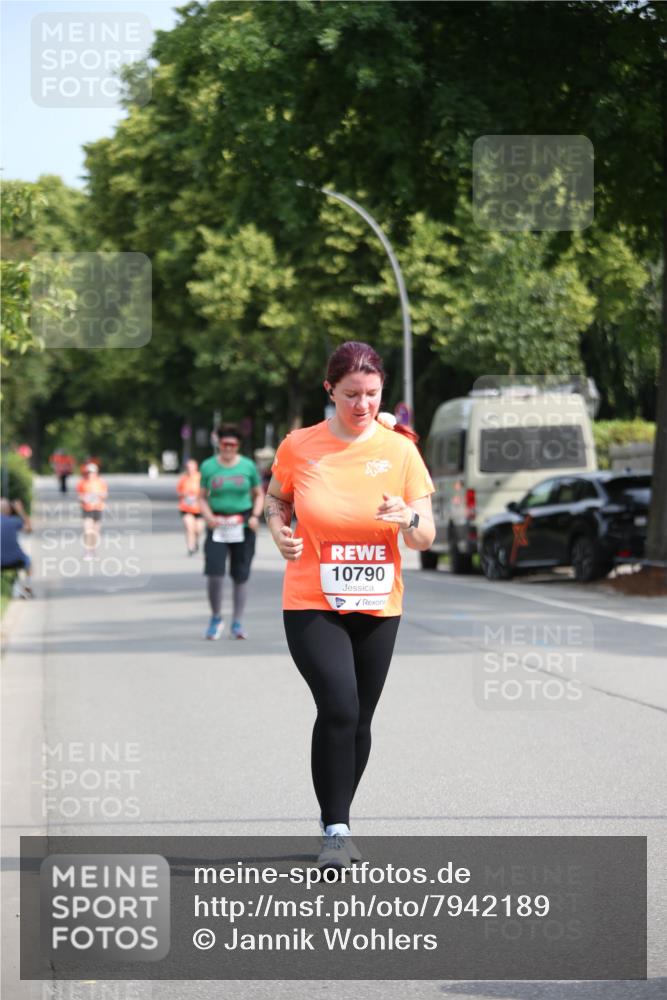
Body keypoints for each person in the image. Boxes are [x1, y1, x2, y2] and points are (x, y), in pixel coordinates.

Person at [264, 341, 435, 871]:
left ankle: (333, 815)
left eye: (372, 394)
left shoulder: (400, 451)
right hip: (311, 599)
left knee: (360, 718)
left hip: (378, 602)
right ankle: (337, 831)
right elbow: (276, 498)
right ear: (330, 391)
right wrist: (278, 530)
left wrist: (407, 517)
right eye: (351, 394)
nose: (362, 404)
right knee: (339, 705)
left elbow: (425, 537)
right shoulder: (300, 445)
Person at [198, 425, 264, 640]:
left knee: (240, 574)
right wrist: (208, 516)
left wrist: (255, 516)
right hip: (217, 524)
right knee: (215, 573)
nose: (228, 448)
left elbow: (259, 494)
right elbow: (201, 497)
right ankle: (216, 617)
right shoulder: (208, 466)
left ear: (238, 446)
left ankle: (237, 622)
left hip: (242, 524)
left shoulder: (247, 466)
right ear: (219, 444)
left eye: (232, 445)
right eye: (224, 444)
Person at [1, 498, 33, 596]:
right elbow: (29, 529)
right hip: (16, 560)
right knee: (29, 561)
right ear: (9, 509)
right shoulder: (14, 521)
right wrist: (20, 511)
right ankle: (27, 586)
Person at [76, 463, 108, 560]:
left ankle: (94, 551)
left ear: (96, 472)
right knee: (88, 531)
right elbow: (79, 496)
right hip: (87, 509)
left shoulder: (101, 482)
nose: (90, 474)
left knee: (95, 532)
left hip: (98, 508)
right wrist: (85, 499)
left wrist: (98, 495)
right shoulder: (82, 482)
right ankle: (88, 552)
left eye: (92, 472)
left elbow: (105, 494)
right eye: (88, 472)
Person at [176, 459, 204, 555]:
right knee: (189, 527)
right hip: (186, 508)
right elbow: (178, 492)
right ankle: (190, 547)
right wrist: (183, 494)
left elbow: (207, 491)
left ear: (196, 467)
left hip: (199, 508)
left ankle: (195, 542)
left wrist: (199, 497)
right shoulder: (183, 478)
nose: (190, 469)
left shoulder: (201, 478)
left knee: (198, 530)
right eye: (188, 467)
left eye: (192, 467)